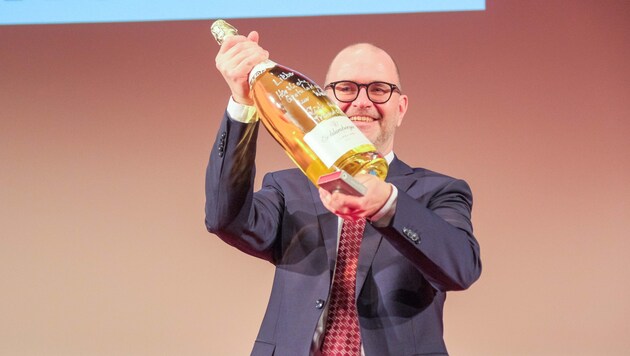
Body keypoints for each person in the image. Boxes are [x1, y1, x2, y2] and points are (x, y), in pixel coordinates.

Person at [205, 30, 482, 356]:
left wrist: (388, 205)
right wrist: (242, 103)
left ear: (401, 107)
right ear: (323, 101)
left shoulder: (438, 191)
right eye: (346, 88)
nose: (362, 102)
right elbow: (224, 217)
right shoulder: (286, 188)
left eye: (379, 89)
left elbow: (461, 268)